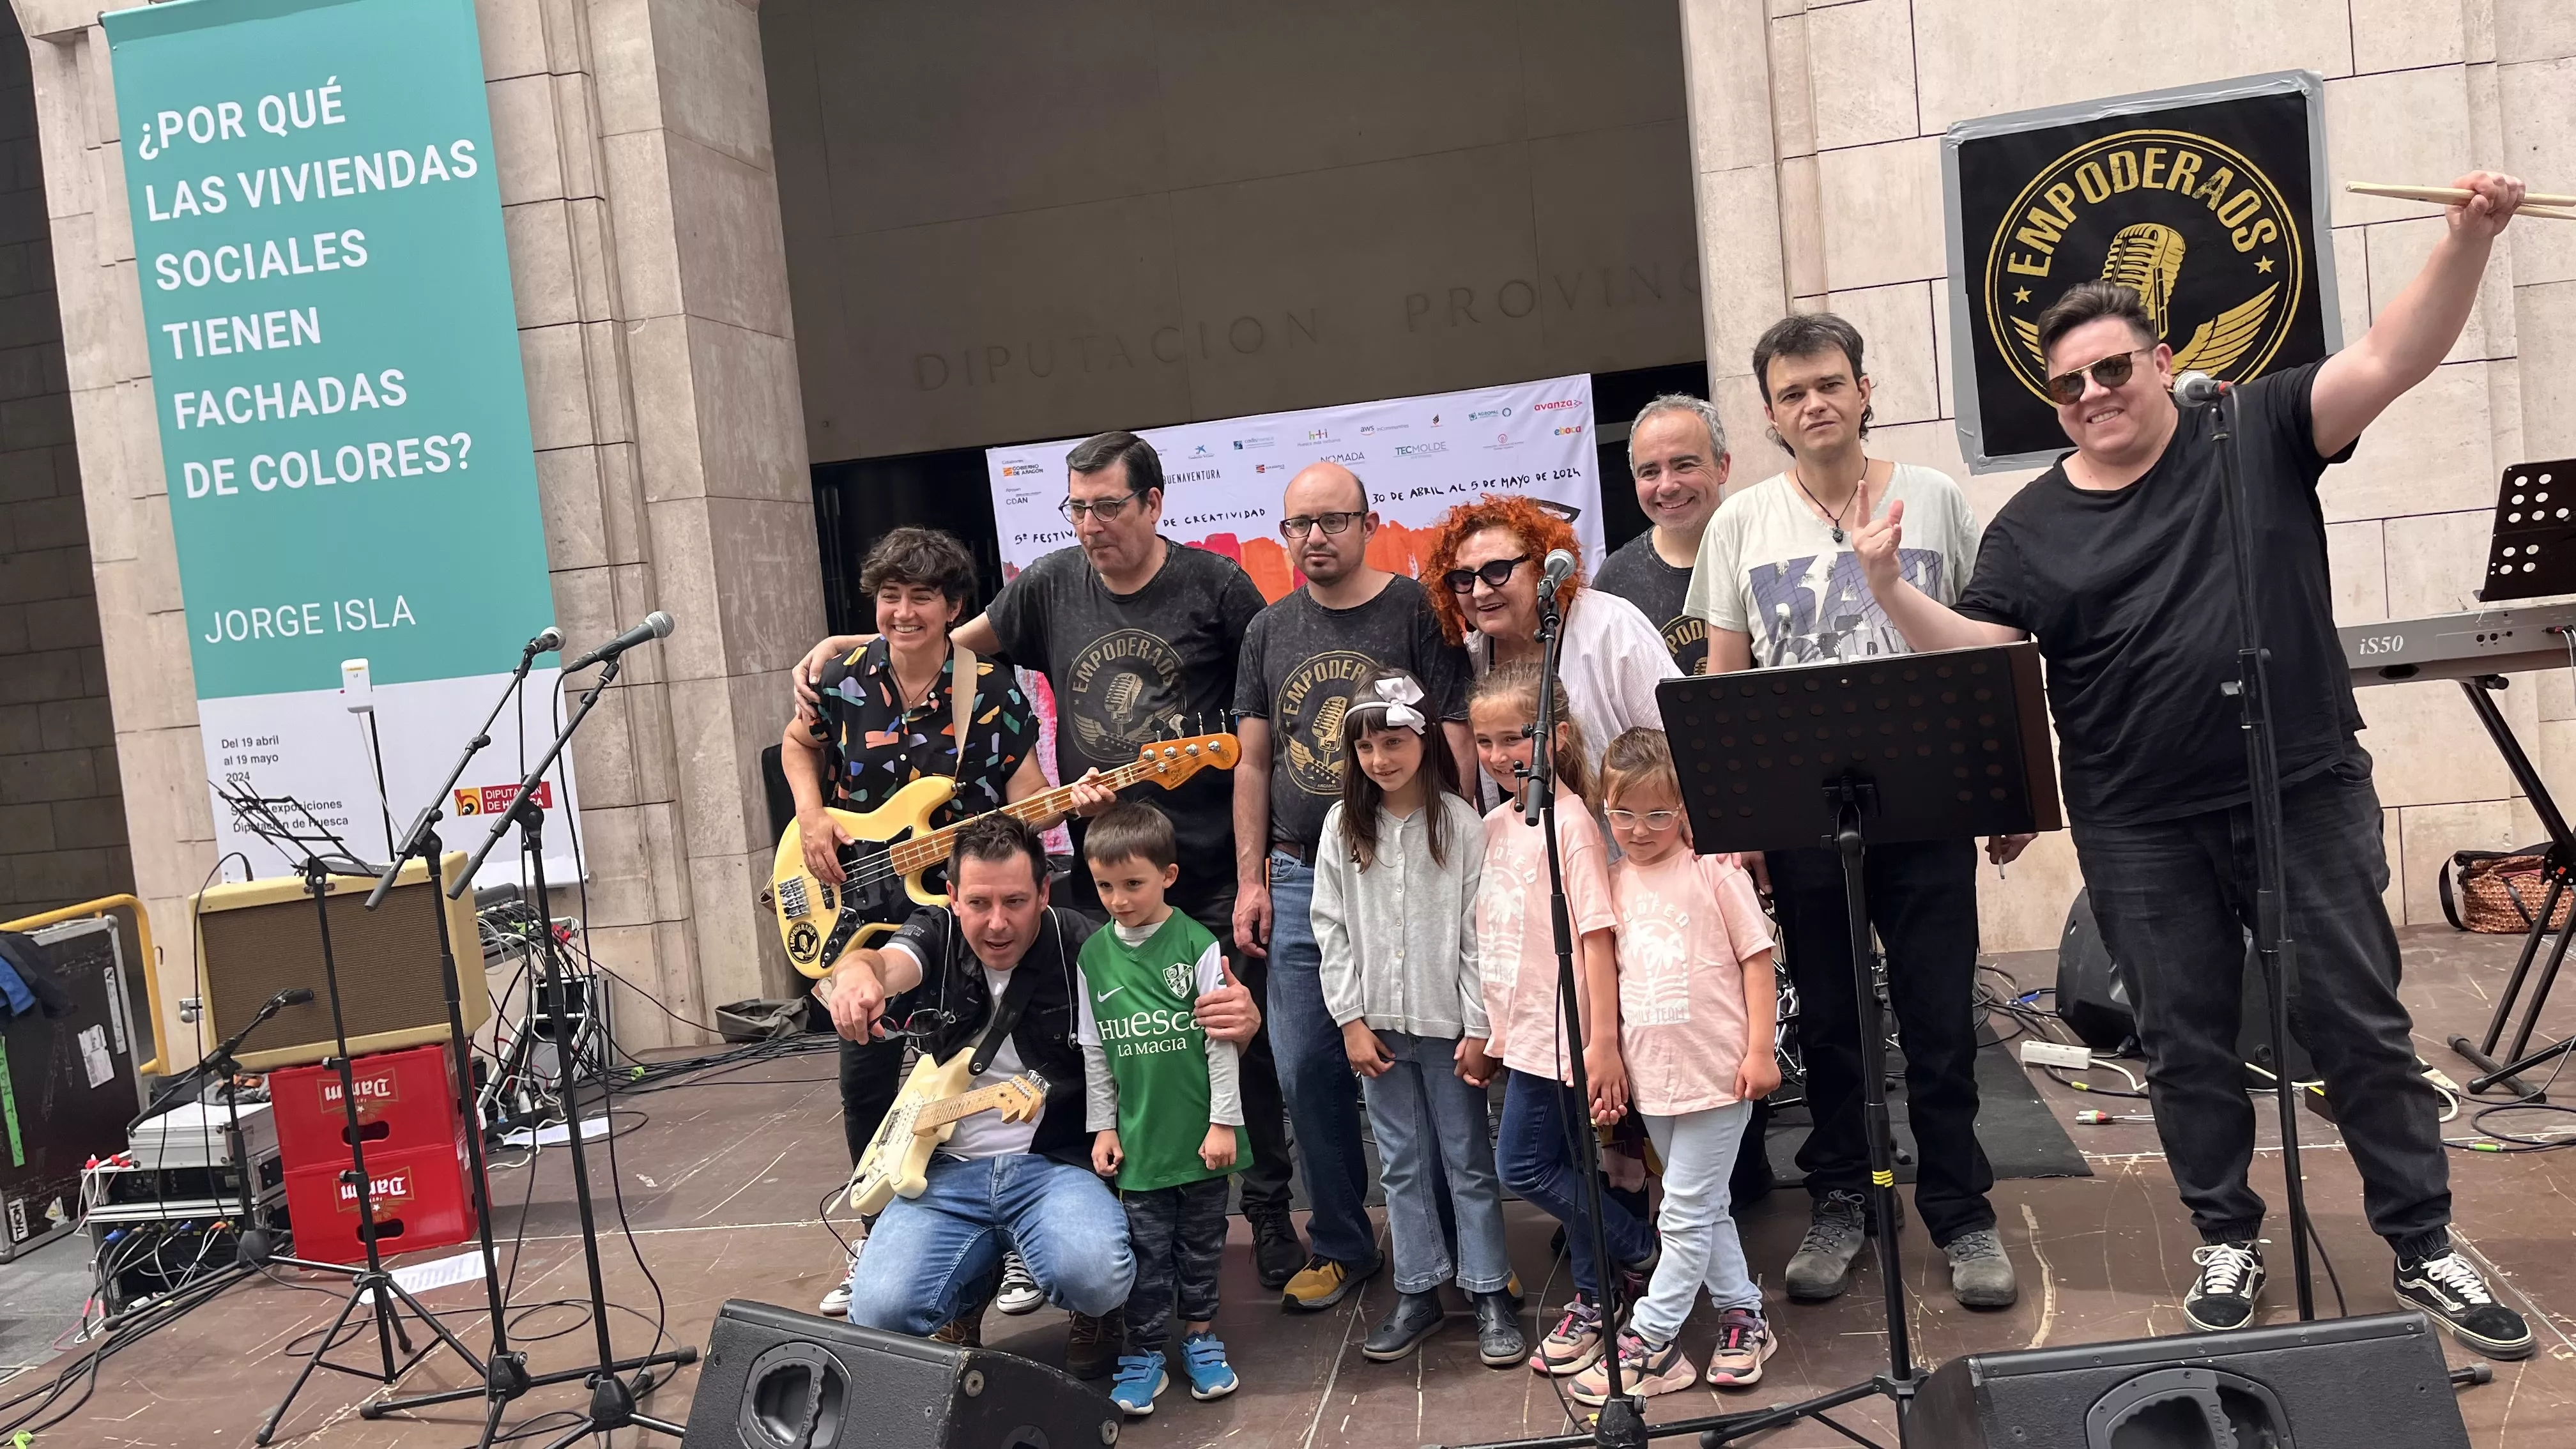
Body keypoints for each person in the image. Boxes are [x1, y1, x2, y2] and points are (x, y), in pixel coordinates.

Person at [1846, 170, 2535, 1357]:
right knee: (2184, 1044)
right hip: (2136, 820)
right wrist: (1888, 587)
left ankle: (2421, 1240)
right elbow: (1987, 653)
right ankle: (2225, 1232)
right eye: (2065, 384)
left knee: (2358, 1023)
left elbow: (2390, 356)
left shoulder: (2253, 429)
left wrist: (2465, 240)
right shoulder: (2029, 526)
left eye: (2111, 368)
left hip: (2300, 788)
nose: (2090, 394)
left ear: (2162, 360)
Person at [795, 431, 1305, 1296]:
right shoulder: (1050, 584)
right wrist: (847, 643)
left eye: (1109, 506)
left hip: (1205, 870)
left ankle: (1265, 1214)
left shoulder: (1215, 587)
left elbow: (1255, 727)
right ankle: (1114, 1218)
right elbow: (947, 640)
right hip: (1099, 880)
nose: (1092, 524)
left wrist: (1256, 870)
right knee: (1102, 1050)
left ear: (1152, 503)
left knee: (1233, 1042)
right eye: (1077, 507)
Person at [1685, 312, 2018, 1310]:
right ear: (1774, 415)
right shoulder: (1741, 523)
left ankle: (1961, 1214)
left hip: (1927, 808)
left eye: (1829, 383)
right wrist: (1735, 823)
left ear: (1865, 389)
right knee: (1829, 1025)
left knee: (1938, 1024)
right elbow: (1722, 683)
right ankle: (1842, 1200)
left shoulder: (1938, 499)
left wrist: (2005, 788)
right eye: (1792, 393)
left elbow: (1986, 651)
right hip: (1802, 820)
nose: (1814, 403)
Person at [827, 814, 1266, 1378]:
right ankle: (969, 1288)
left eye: (1015, 901)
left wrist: (1241, 1021)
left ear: (1044, 892)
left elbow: (1178, 1019)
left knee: (1097, 1274)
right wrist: (858, 976)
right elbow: (885, 963)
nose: (997, 923)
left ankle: (1094, 1308)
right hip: (945, 1172)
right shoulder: (934, 933)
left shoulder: (1083, 944)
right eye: (979, 903)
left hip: (1055, 1165)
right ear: (953, 897)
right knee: (879, 1311)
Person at [783, 526, 1045, 1318]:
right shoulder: (842, 676)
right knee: (864, 1072)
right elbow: (799, 747)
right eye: (890, 597)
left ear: (953, 606)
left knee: (984, 1067)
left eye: (921, 597)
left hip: (954, 913)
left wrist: (1070, 805)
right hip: (850, 903)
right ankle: (880, 1234)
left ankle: (1010, 1245)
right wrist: (813, 816)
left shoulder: (991, 690)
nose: (903, 612)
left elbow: (1028, 793)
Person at [1232, 461, 1475, 1311]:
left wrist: (1461, 846)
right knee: (1306, 1064)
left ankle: (1451, 1244)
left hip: (1415, 865)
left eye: (1333, 521)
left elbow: (1454, 734)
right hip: (1302, 872)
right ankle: (1342, 1241)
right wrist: (1250, 878)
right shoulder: (1268, 629)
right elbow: (1255, 759)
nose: (1316, 538)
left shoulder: (1413, 610)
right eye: (1300, 524)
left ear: (1368, 523)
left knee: (1428, 1056)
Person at [1312, 670, 1520, 1367]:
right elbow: (1330, 925)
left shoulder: (1459, 825)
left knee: (1467, 1158)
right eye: (1366, 747)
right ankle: (1419, 1288)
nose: (1381, 759)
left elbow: (1475, 932)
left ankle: (1488, 1288)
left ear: (1424, 741)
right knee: (1400, 1162)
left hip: (1449, 1028)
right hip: (1378, 1029)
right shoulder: (1343, 824)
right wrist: (1349, 1018)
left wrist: (1477, 1027)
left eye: (1394, 741)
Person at [1568, 730, 1779, 1405]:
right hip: (1655, 1081)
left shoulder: (1717, 874)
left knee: (1683, 1215)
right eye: (1624, 813)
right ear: (1606, 808)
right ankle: (1744, 1314)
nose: (1640, 828)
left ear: (1684, 811)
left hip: (1719, 1074)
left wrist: (1759, 1049)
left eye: (1658, 813)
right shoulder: (1612, 884)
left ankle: (1653, 1341)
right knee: (1703, 1207)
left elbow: (1757, 961)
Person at [1469, 664, 1655, 1376]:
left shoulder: (1571, 824)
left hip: (1565, 1040)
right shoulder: (1494, 826)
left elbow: (1597, 936)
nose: (1496, 754)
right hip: (1523, 1036)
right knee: (1572, 1164)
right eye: (1484, 740)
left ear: (1555, 737)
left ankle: (1632, 1247)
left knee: (1522, 1164)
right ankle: (1595, 1290)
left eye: (1513, 736)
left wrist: (1601, 1042)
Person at [1075, 804, 1245, 1414]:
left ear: (1168, 875)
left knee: (1201, 1245)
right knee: (1146, 1255)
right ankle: (1144, 1352)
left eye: (1133, 884)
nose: (1118, 899)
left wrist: (1224, 1121)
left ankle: (1201, 1340)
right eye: (1104, 886)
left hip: (1201, 1137)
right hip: (1140, 1143)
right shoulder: (1093, 957)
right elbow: (1096, 1052)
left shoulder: (1199, 945)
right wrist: (1103, 1128)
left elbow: (1222, 1040)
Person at [1424, 494, 1678, 796]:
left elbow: (1681, 739)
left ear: (1541, 567)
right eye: (1464, 578)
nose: (1479, 591)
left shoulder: (1610, 627)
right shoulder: (1471, 654)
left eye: (1496, 571)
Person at [1593, 395, 1732, 677]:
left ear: (1722, 467)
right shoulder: (1615, 580)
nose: (1667, 486)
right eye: (1650, 472)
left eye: (1684, 465)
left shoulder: (1765, 552)